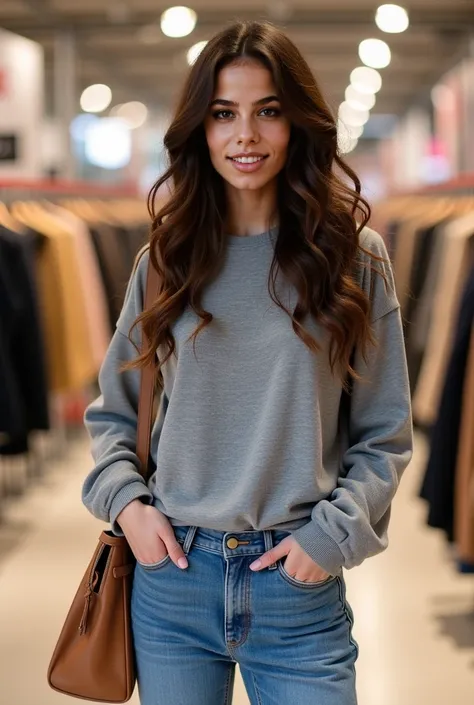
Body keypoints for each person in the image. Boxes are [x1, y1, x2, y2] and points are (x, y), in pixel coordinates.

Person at [82, 20, 413, 705]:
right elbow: (113, 412)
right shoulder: (165, 263)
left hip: (297, 587)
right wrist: (130, 506)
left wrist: (331, 538)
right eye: (223, 114)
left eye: (268, 112)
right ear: (200, 130)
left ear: (297, 124)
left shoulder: (354, 259)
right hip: (173, 579)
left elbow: (386, 434)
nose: (245, 136)